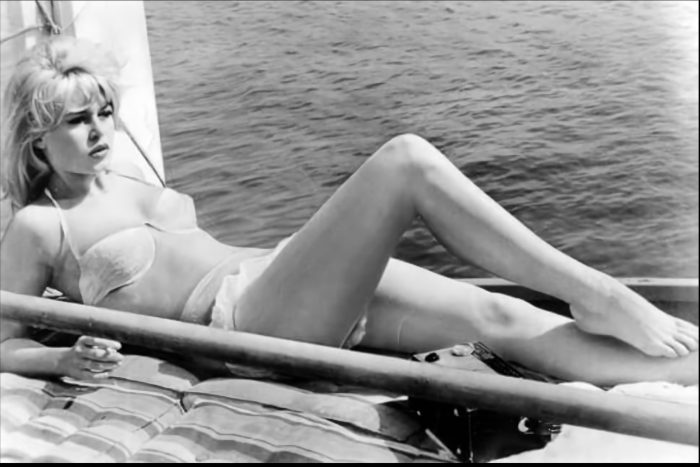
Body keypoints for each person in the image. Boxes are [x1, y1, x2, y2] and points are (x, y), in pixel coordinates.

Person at [0, 37, 697, 386]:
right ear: (36, 137)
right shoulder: (39, 224)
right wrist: (62, 357)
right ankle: (598, 291)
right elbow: (2, 344)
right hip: (243, 329)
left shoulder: (123, 175)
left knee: (502, 317)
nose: (100, 130)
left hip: (277, 282)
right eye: (77, 120)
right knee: (405, 161)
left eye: (105, 111)